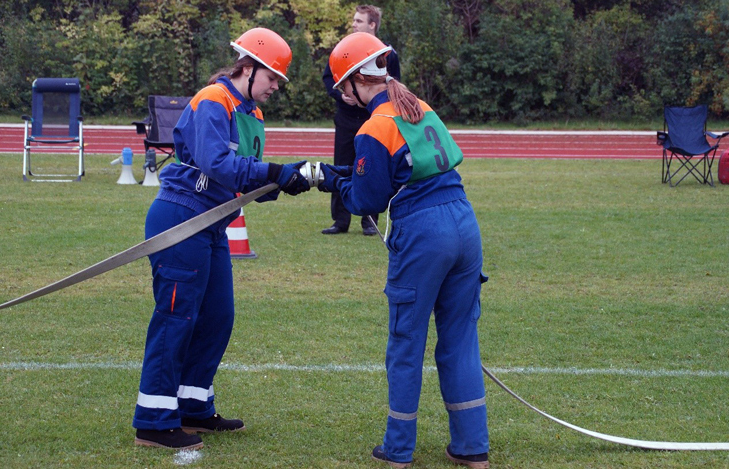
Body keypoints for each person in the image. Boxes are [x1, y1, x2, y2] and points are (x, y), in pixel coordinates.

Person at [132, 27, 310, 450]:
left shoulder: (254, 113)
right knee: (176, 317)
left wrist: (288, 180)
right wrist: (272, 173)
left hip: (213, 223)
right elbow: (217, 164)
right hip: (182, 217)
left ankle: (194, 406)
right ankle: (154, 421)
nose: (275, 89)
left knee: (217, 316)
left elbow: (244, 178)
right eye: (272, 79)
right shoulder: (214, 99)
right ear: (248, 67)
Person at [318, 32, 490, 468]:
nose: (344, 96)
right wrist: (349, 173)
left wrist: (331, 179)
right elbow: (407, 166)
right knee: (460, 341)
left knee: (406, 343)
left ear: (358, 79)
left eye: (343, 87)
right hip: (464, 222)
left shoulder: (372, 126)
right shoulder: (421, 107)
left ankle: (397, 451)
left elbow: (366, 202)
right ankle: (472, 449)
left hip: (424, 231)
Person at [321, 4, 400, 236]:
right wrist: (342, 95)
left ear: (372, 25)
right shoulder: (343, 49)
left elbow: (394, 83)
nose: (353, 24)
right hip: (346, 119)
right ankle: (340, 221)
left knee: (371, 167)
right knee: (341, 166)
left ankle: (370, 221)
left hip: (372, 119)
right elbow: (328, 78)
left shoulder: (387, 54)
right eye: (354, 20)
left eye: (359, 21)